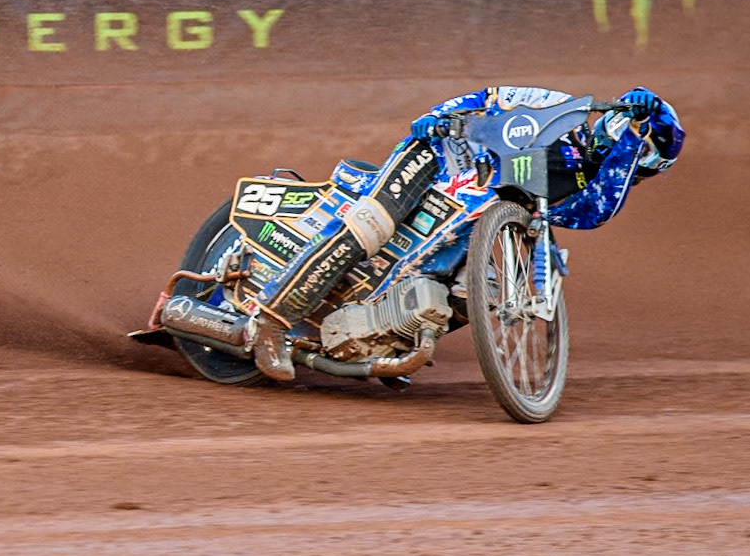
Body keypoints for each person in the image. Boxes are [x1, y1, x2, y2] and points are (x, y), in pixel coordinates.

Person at [247, 85, 684, 380]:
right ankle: (270, 322)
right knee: (374, 224)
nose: (628, 162)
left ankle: (393, 340)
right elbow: (489, 96)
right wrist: (437, 118)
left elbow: (573, 218)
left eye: (641, 165)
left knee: (475, 294)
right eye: (634, 149)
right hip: (442, 154)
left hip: (479, 214)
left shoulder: (595, 194)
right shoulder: (564, 111)